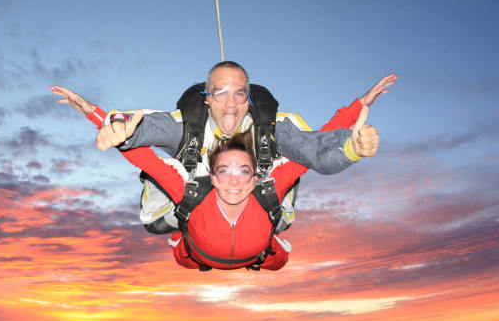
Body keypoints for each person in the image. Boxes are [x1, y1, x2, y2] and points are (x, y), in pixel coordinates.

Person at [49, 85, 381, 270]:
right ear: (214, 178)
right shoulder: (191, 193)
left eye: (244, 171)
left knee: (278, 255)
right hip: (195, 255)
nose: (235, 180)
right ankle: (186, 240)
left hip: (261, 254)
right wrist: (99, 118)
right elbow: (145, 159)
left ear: (255, 179)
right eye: (224, 171)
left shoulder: (268, 189)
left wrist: (353, 136)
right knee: (185, 251)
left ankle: (263, 249)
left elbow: (312, 149)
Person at [92, 63, 395, 233]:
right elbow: (141, 124)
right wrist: (120, 130)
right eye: (220, 93)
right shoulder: (186, 123)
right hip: (186, 211)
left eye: (240, 94)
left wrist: (352, 148)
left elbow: (315, 151)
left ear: (250, 99)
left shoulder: (274, 126)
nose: (231, 103)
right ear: (206, 98)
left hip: (263, 213)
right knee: (161, 182)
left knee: (292, 160)